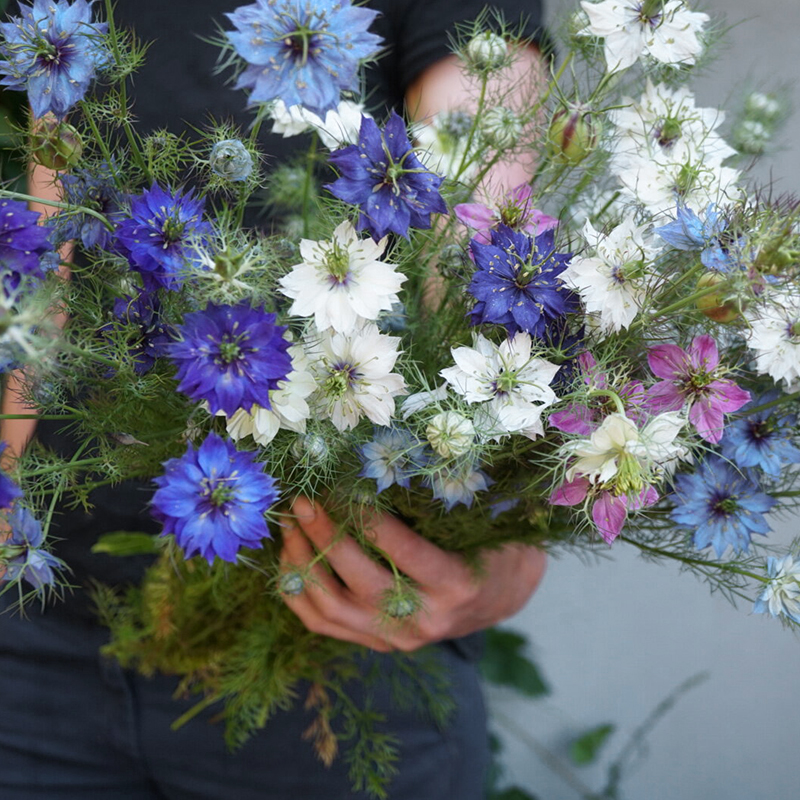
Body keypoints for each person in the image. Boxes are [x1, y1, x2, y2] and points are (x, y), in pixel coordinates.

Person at [0, 1, 548, 797]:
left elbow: (476, 247)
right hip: (42, 614)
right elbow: (57, 259)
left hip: (328, 626)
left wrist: (501, 551)